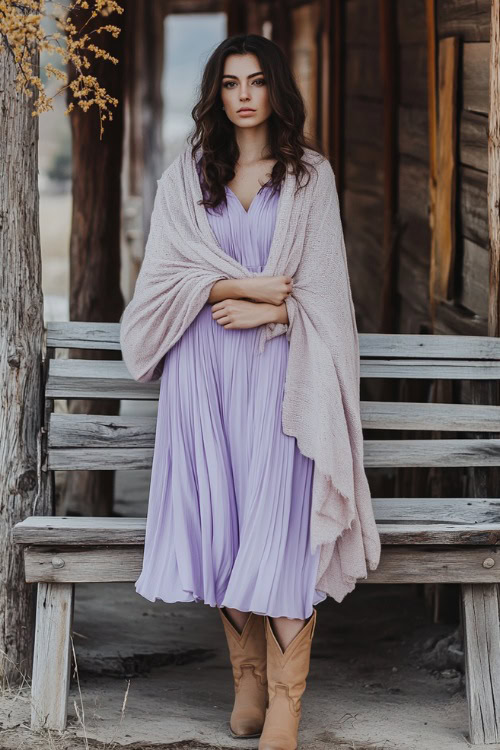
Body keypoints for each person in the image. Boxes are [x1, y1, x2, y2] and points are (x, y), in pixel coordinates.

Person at [120, 32, 378, 750]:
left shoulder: (308, 178)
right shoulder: (188, 175)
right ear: (216, 93)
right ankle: (247, 683)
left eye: (256, 81)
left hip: (279, 378)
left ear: (275, 91)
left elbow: (328, 295)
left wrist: (273, 308)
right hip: (203, 377)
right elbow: (162, 285)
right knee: (227, 521)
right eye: (230, 82)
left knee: (279, 529)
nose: (242, 94)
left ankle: (288, 704)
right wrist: (239, 283)